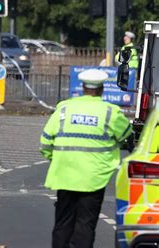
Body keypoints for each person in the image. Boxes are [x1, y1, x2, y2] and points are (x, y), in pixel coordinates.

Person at [39, 69, 131, 248]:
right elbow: (126, 135)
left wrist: (57, 159)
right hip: (93, 178)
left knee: (63, 223)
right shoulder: (110, 112)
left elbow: (45, 142)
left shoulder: (64, 108)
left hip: (65, 174)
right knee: (85, 224)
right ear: (102, 89)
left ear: (82, 87)